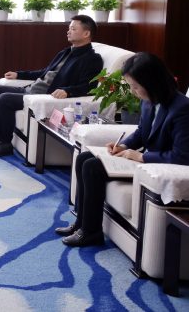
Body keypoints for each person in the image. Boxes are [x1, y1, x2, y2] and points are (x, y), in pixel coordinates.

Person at [58, 52, 189, 246]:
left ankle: (91, 232)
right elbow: (141, 132)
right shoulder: (148, 100)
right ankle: (80, 223)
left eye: (135, 86)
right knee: (84, 157)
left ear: (152, 82)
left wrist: (141, 157)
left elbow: (182, 156)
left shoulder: (182, 108)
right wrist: (124, 146)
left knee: (92, 167)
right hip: (143, 161)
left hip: (156, 168)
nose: (133, 92)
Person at [0, 15, 103, 157]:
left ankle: (5, 144)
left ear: (86, 33)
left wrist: (67, 91)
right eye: (69, 28)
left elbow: (89, 87)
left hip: (42, 96)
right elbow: (45, 72)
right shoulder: (66, 52)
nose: (68, 31)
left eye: (73, 29)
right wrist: (19, 74)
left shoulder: (92, 59)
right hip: (30, 90)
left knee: (5, 98)